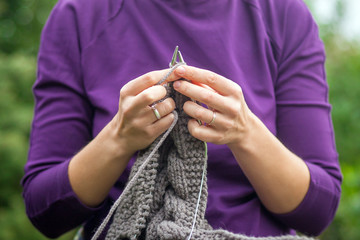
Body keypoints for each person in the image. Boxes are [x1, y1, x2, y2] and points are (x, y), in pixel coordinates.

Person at [22, 0, 342, 239]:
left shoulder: (284, 15)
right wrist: (118, 140)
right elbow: (45, 210)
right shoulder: (78, 15)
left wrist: (245, 132)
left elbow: (317, 210)